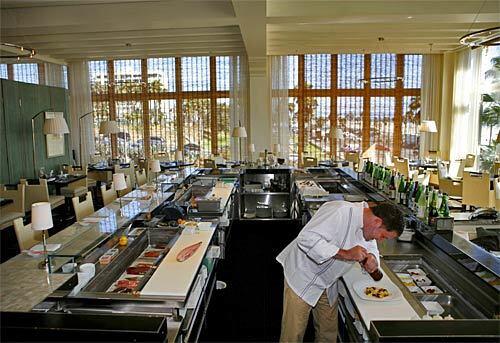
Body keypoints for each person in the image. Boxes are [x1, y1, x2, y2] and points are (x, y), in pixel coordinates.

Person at [277, 201, 404, 342]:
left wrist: (373, 258)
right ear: (376, 222)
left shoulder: (368, 225)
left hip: (328, 281)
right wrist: (345, 253)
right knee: (293, 335)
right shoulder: (339, 211)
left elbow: (371, 245)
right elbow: (306, 239)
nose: (380, 240)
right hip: (303, 276)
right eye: (383, 236)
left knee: (328, 333)